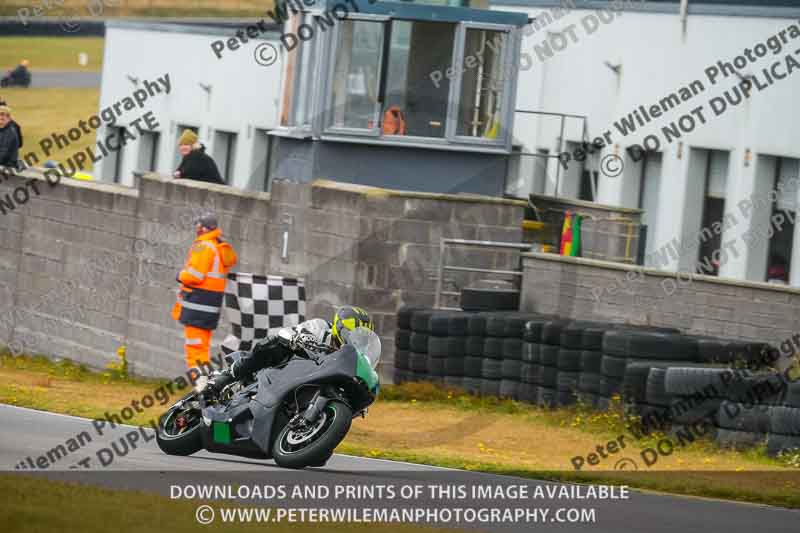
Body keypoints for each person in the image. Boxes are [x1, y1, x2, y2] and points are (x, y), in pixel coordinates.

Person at [207, 306, 374, 393]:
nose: (355, 340)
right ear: (340, 327)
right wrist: (302, 338)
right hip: (287, 364)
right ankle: (229, 375)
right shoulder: (321, 327)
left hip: (307, 380)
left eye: (360, 338)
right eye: (352, 335)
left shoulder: (354, 357)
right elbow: (290, 332)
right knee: (274, 345)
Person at [172, 212, 238, 370]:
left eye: (198, 225)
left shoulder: (203, 246)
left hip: (197, 304)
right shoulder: (217, 246)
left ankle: (200, 386)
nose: (196, 228)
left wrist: (180, 275)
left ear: (203, 228)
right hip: (209, 307)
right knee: (202, 348)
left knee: (194, 349)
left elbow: (195, 275)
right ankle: (203, 384)